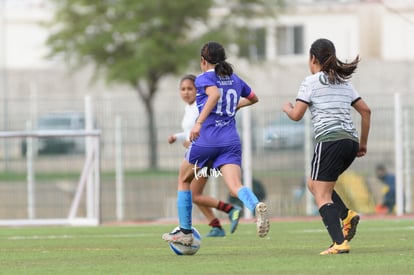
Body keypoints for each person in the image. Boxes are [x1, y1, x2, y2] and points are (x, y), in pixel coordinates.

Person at [162, 41, 270, 246]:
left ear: (203, 60)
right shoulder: (235, 79)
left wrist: (199, 123)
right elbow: (254, 98)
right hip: (230, 141)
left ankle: (185, 232)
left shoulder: (204, 78)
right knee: (235, 185)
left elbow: (214, 94)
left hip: (207, 139)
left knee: (184, 180)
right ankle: (256, 206)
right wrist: (232, 108)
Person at [282, 38, 371, 255]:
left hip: (330, 141)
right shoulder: (345, 83)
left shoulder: (311, 82)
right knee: (314, 184)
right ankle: (347, 215)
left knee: (321, 194)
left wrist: (287, 108)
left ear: (312, 58)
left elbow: (296, 115)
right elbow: (366, 111)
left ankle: (339, 243)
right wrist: (362, 144)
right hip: (349, 142)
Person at [168, 74, 242, 237]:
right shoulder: (189, 107)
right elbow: (190, 131)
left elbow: (205, 128)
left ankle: (229, 210)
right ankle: (216, 225)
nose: (186, 92)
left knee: (192, 193)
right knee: (194, 194)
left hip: (204, 155)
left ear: (198, 90)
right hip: (200, 153)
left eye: (190, 89)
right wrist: (178, 137)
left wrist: (191, 141)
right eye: (183, 89)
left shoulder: (200, 106)